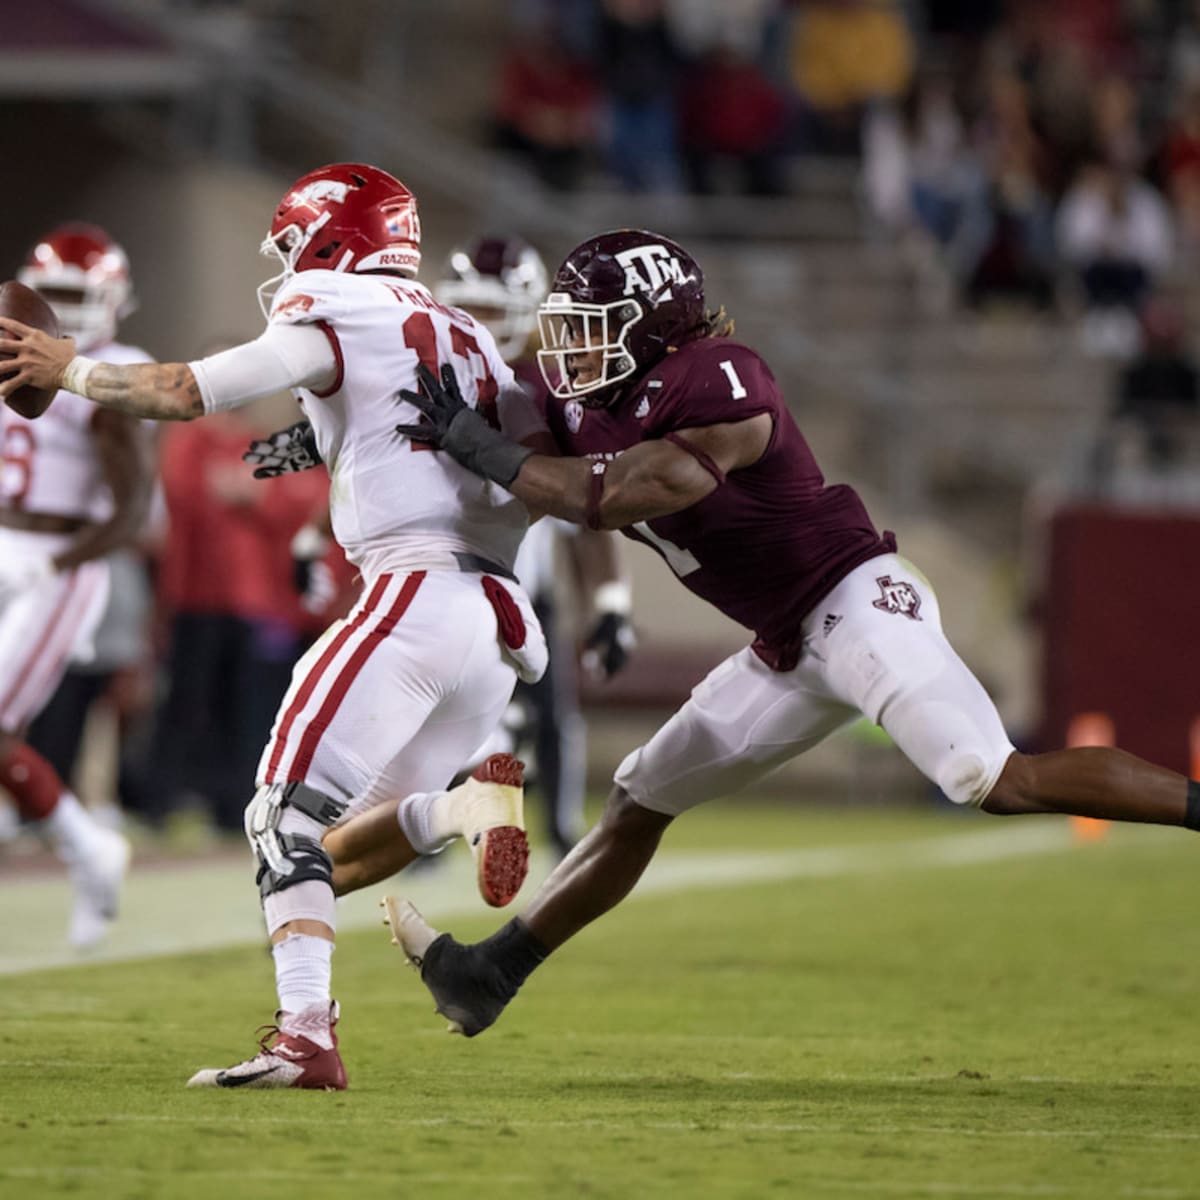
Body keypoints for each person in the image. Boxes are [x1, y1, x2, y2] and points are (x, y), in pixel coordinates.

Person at [355, 227, 1199, 1040]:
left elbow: (622, 492)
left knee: (990, 777)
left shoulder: (722, 377)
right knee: (641, 796)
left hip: (856, 600)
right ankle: (489, 975)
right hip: (785, 644)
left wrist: (489, 451)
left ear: (653, 327)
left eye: (595, 329)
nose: (572, 349)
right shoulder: (578, 400)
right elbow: (501, 424)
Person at [0, 163, 553, 1090]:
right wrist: (334, 437)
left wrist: (71, 369)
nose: (290, 261)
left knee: (279, 818)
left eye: (297, 240)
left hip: (410, 597)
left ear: (333, 240)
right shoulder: (471, 336)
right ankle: (465, 806)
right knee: (339, 848)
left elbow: (183, 392)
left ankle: (305, 1035)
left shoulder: (335, 298)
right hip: (496, 625)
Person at [434, 234, 636, 856]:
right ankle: (442, 832)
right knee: (445, 717)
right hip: (441, 582)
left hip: (523, 584)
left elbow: (586, 512)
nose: (480, 324)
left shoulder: (550, 396)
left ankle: (555, 831)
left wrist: (610, 605)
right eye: (471, 308)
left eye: (493, 309)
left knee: (544, 715)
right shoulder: (430, 372)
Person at [0, 223, 153, 949]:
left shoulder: (114, 372)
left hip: (61, 560)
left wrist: (52, 565)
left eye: (73, 296)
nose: (59, 310)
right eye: (50, 295)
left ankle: (88, 848)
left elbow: (129, 512)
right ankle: (76, 840)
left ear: (114, 300)